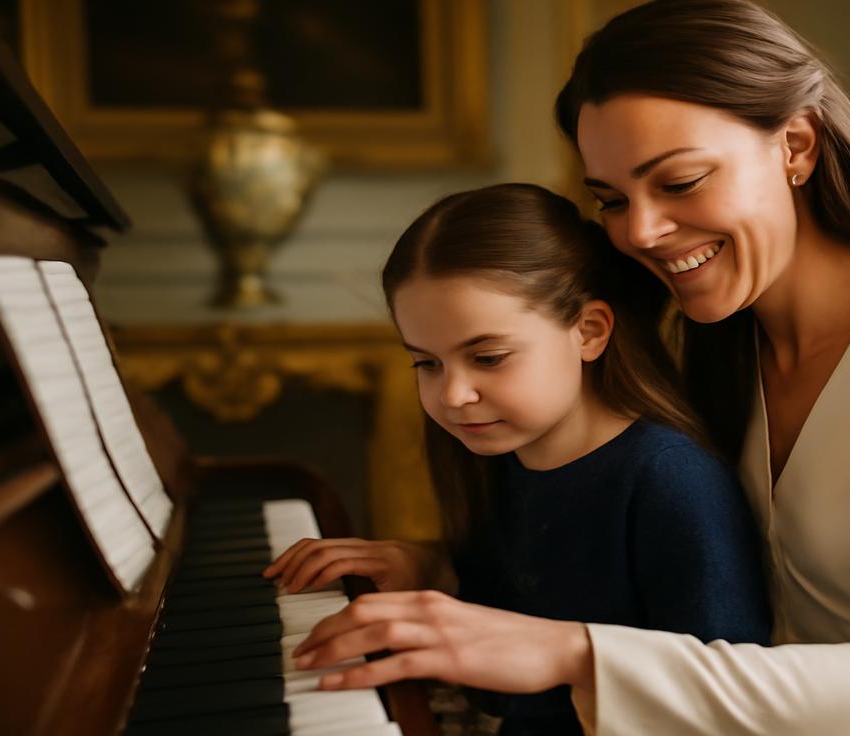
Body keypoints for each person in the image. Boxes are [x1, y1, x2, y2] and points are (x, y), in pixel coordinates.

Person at [289, 1, 850, 734]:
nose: (641, 232)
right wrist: (438, 572)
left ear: (795, 145)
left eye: (679, 181)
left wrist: (561, 652)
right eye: (612, 199)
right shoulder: (708, 337)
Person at [264, 182, 771, 735]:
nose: (453, 394)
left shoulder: (670, 480)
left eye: (488, 357)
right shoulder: (502, 451)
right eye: (426, 364)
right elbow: (515, 601)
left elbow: (724, 695)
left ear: (589, 331)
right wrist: (431, 567)